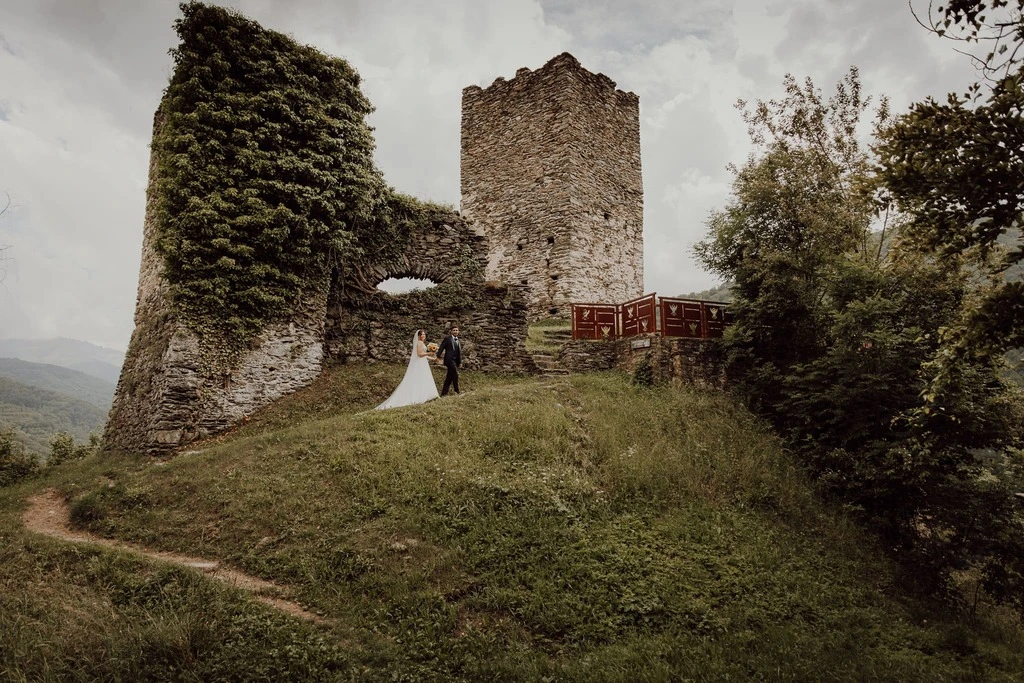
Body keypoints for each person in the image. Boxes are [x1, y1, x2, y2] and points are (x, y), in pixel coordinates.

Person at [374, 329, 439, 410]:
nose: (423, 336)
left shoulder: (421, 343)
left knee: (422, 379)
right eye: (422, 334)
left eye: (424, 334)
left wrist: (433, 359)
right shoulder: (419, 343)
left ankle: (424, 395)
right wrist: (430, 353)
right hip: (419, 364)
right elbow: (419, 354)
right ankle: (419, 396)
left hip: (422, 363)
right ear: (419, 336)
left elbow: (423, 356)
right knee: (418, 379)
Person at [435, 325, 462, 396]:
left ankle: (443, 393)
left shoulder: (458, 340)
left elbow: (459, 352)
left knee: (449, 378)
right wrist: (438, 356)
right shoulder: (447, 338)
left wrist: (459, 362)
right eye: (454, 330)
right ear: (451, 331)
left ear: (458, 331)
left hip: (455, 361)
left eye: (456, 330)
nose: (455, 331)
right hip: (449, 360)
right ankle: (457, 390)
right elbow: (442, 347)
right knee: (455, 374)